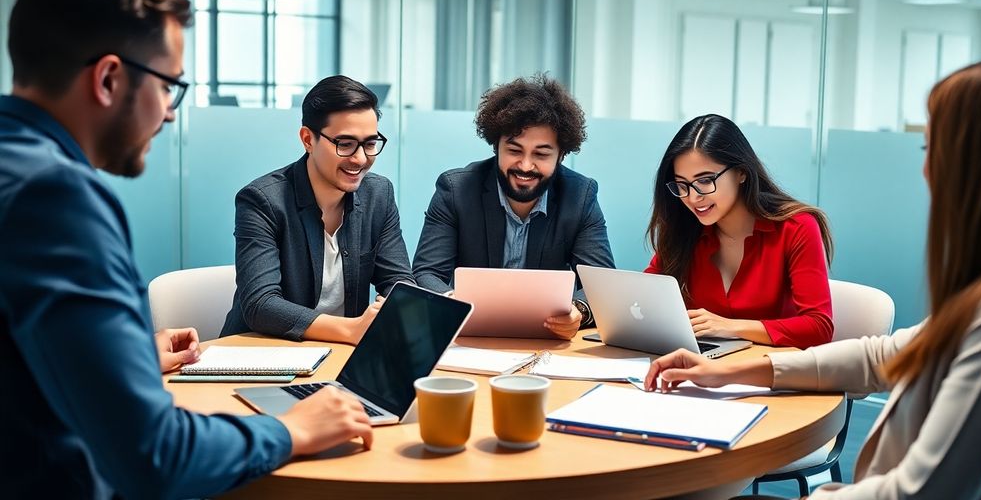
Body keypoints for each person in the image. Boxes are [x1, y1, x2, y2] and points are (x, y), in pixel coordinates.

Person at [0, 0, 372, 497]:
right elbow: (155, 456)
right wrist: (292, 428)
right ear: (109, 78)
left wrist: (121, 357)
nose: (171, 114)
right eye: (168, 86)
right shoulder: (54, 198)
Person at [646, 57, 981, 499]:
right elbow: (880, 356)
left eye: (932, 149)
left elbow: (923, 490)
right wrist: (724, 371)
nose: (925, 170)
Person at [412, 74, 614, 339]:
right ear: (496, 146)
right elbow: (426, 273)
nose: (526, 166)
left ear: (561, 156)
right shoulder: (456, 190)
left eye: (541, 154)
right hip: (469, 337)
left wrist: (578, 309)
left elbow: (601, 283)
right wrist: (454, 304)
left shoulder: (580, 196)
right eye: (515, 150)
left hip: (547, 341)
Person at [221, 75, 414, 343]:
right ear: (308, 139)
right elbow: (261, 305)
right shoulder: (262, 201)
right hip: (263, 353)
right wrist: (352, 329)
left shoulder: (378, 195)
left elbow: (398, 282)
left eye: (370, 144)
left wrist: (400, 308)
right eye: (345, 144)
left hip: (341, 355)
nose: (360, 158)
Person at [645, 114, 834, 349]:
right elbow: (644, 300)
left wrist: (730, 327)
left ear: (741, 172)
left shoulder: (797, 228)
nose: (693, 197)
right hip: (700, 370)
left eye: (705, 181)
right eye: (682, 185)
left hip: (772, 373)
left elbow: (819, 327)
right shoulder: (684, 229)